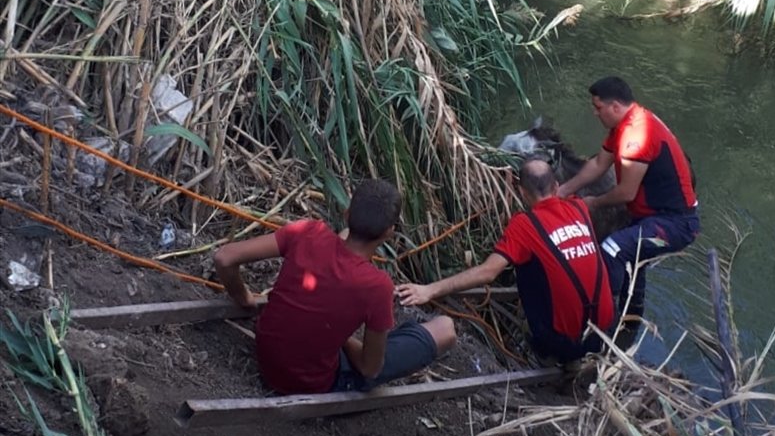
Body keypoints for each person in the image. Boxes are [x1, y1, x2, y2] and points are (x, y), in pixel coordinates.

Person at [213, 178, 456, 395]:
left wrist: (244, 298)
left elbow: (224, 258)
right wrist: (342, 338)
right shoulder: (377, 286)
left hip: (267, 357)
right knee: (445, 328)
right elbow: (370, 368)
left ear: (347, 214)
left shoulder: (307, 232)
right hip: (308, 383)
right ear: (389, 232)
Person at [397, 158, 615, 371]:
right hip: (604, 332)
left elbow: (488, 272)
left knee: (525, 264)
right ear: (556, 186)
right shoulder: (579, 207)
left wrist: (430, 289)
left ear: (522, 192)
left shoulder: (524, 225)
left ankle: (548, 356)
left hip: (567, 343)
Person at [557, 76, 699, 321]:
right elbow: (599, 164)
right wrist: (563, 190)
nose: (594, 113)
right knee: (632, 261)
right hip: (654, 217)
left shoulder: (636, 136)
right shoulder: (627, 124)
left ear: (615, 106)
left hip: (675, 224)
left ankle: (602, 322)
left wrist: (593, 202)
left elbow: (626, 192)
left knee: (612, 249)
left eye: (598, 107)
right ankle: (631, 319)